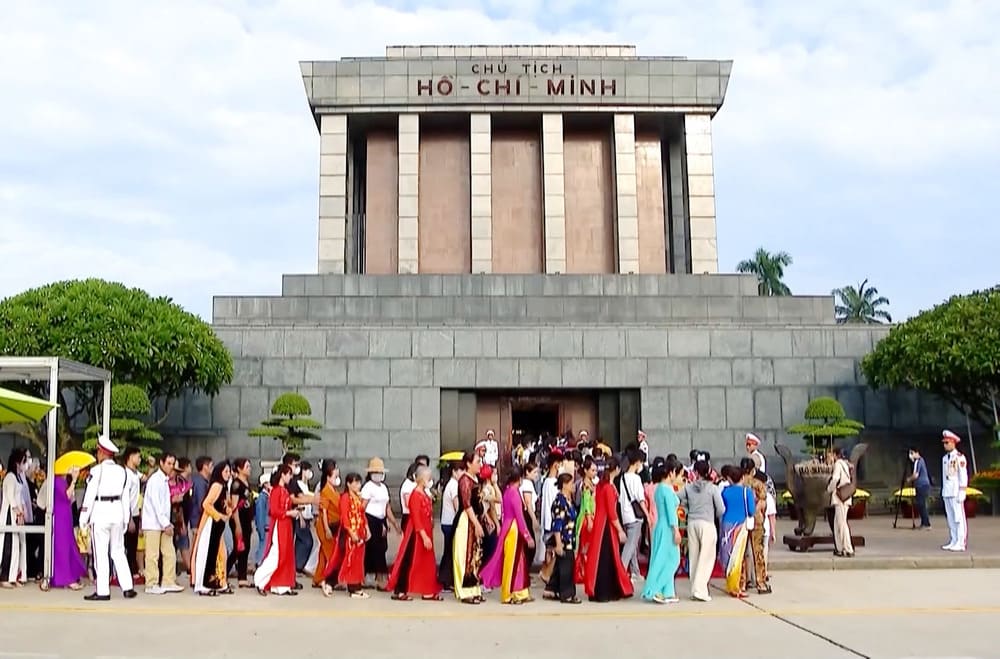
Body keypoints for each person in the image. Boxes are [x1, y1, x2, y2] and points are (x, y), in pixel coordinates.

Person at [79, 435, 137, 601]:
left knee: (101, 553)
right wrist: (126, 518)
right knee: (118, 550)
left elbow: (89, 496)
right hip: (118, 513)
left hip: (101, 513)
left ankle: (103, 590)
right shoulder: (122, 472)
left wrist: (83, 517)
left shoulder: (96, 471)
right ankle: (127, 587)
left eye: (98, 451)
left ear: (102, 453)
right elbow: (125, 497)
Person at [481, 468, 535, 605]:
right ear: (519, 479)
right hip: (513, 529)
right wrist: (527, 535)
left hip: (509, 526)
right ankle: (507, 594)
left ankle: (520, 591)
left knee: (519, 561)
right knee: (511, 563)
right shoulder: (514, 493)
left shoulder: (508, 490)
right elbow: (519, 516)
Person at [387, 466, 442, 601]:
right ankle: (400, 590)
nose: (430, 480)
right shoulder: (415, 495)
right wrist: (423, 536)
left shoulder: (425, 494)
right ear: (421, 479)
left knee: (427, 562)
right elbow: (416, 518)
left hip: (426, 531)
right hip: (416, 533)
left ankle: (427, 590)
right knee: (408, 560)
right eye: (428, 478)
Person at [583, 457, 633, 603]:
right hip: (606, 527)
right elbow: (612, 513)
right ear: (616, 469)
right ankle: (606, 591)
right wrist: (620, 530)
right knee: (607, 559)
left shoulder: (600, 486)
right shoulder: (609, 488)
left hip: (600, 524)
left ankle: (599, 590)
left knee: (601, 559)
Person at [679, 460, 724, 602]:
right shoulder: (712, 488)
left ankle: (695, 588)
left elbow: (677, 497)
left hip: (692, 523)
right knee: (706, 558)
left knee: (694, 556)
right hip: (707, 523)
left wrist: (686, 507)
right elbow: (721, 509)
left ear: (696, 472)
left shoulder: (688, 487)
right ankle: (700, 589)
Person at [141, 452, 184, 594]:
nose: (171, 466)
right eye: (169, 463)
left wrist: (167, 523)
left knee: (169, 552)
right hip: (153, 523)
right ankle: (151, 583)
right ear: (162, 463)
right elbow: (156, 505)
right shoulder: (155, 480)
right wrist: (165, 523)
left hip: (163, 523)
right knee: (152, 555)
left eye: (173, 464)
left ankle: (168, 581)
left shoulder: (164, 480)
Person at [322, 473, 369, 599]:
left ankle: (355, 586)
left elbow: (362, 515)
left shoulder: (358, 498)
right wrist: (352, 533)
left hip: (358, 532)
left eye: (359, 483)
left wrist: (366, 529)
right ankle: (330, 582)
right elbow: (345, 517)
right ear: (348, 484)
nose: (358, 485)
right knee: (343, 559)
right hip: (348, 534)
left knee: (356, 561)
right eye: (355, 482)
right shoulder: (345, 498)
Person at [642, 459, 683, 604]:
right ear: (671, 473)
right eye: (678, 474)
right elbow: (671, 512)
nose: (679, 478)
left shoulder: (659, 488)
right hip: (668, 527)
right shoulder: (667, 489)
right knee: (672, 560)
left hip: (660, 526)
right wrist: (675, 530)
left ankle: (667, 592)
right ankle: (655, 588)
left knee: (661, 559)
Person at [254, 465, 299, 596]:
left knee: (285, 555)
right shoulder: (276, 491)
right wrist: (289, 513)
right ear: (282, 475)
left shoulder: (284, 490)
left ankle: (281, 585)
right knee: (276, 554)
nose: (290, 477)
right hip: (279, 525)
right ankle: (260, 580)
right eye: (289, 474)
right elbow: (273, 511)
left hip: (286, 525)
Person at [191, 461, 233, 596]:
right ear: (220, 472)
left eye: (229, 471)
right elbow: (206, 504)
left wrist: (227, 510)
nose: (228, 474)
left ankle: (220, 582)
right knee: (208, 554)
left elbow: (223, 505)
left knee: (221, 555)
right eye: (226, 471)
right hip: (210, 524)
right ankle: (204, 585)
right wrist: (219, 516)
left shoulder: (224, 487)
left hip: (218, 525)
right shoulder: (216, 485)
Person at [361, 457, 401, 589]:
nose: (378, 475)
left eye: (380, 472)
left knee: (382, 548)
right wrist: (365, 524)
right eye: (375, 472)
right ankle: (369, 577)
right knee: (372, 549)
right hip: (370, 519)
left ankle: (379, 577)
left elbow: (387, 507)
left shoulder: (384, 487)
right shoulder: (367, 487)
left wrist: (394, 523)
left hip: (381, 520)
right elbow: (363, 507)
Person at [452, 451, 485, 604]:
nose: (480, 464)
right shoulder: (465, 480)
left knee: (475, 556)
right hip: (466, 520)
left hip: (475, 518)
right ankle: (465, 591)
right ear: (468, 464)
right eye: (477, 461)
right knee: (465, 555)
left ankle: (474, 588)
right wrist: (476, 523)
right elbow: (467, 505)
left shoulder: (475, 479)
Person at [719, 465, 755, 597]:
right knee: (738, 556)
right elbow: (751, 510)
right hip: (740, 525)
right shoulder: (747, 492)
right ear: (742, 477)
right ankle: (735, 586)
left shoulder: (725, 491)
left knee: (727, 553)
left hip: (727, 524)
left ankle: (730, 583)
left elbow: (721, 508)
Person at [50, 465, 87, 590]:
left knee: (68, 545)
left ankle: (69, 576)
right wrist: (75, 480)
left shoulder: (63, 480)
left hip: (65, 516)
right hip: (60, 517)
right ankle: (65, 578)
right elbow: (67, 495)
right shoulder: (57, 480)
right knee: (62, 547)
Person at [548, 473, 580, 604]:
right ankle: (567, 594)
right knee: (567, 566)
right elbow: (557, 524)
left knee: (561, 566)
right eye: (571, 483)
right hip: (563, 539)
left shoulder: (568, 500)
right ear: (565, 485)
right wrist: (558, 543)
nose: (573, 486)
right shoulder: (559, 502)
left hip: (570, 537)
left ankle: (552, 589)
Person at [618, 448, 649, 581]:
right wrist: (648, 515)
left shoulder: (623, 477)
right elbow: (640, 499)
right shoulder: (636, 479)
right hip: (635, 516)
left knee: (632, 545)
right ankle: (621, 572)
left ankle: (635, 572)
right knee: (630, 546)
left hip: (625, 515)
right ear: (637, 462)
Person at [0, 448, 29, 588]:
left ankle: (13, 576)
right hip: (9, 516)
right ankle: (4, 576)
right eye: (24, 461)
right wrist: (18, 512)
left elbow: (20, 497)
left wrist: (22, 512)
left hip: (17, 515)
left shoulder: (18, 478)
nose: (25, 465)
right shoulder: (10, 477)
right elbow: (11, 498)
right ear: (17, 463)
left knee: (16, 547)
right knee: (8, 546)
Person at [742, 457, 771, 592]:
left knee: (742, 553)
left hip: (742, 521)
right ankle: (761, 582)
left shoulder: (739, 483)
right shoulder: (758, 484)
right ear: (753, 470)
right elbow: (763, 502)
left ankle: (742, 582)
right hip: (756, 521)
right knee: (757, 551)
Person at [312, 460, 341, 588]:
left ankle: (318, 578)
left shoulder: (332, 490)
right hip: (326, 526)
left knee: (324, 554)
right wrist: (327, 529)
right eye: (335, 474)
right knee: (332, 554)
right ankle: (333, 580)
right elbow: (323, 511)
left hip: (332, 524)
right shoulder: (325, 491)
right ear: (328, 476)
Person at [940, 430, 969, 552]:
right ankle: (953, 539)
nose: (945, 445)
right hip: (947, 491)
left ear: (953, 443)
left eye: (947, 442)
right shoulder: (945, 458)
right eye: (944, 442)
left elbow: (963, 475)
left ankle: (961, 542)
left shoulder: (959, 457)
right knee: (951, 518)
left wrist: (962, 490)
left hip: (956, 491)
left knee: (958, 518)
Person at [437, 460, 464, 591]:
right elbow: (457, 505)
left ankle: (445, 579)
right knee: (450, 552)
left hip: (447, 522)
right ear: (454, 472)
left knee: (448, 551)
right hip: (450, 523)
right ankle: (446, 580)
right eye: (460, 470)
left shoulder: (452, 484)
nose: (462, 473)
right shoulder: (454, 485)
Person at [825, 449, 854, 558]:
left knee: (841, 524)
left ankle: (848, 548)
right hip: (845, 497)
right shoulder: (845, 464)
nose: (830, 458)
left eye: (831, 455)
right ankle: (839, 548)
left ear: (835, 455)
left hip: (840, 497)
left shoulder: (838, 464)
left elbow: (835, 478)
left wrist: (829, 488)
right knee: (837, 524)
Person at [120, 446, 143, 585]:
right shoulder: (126, 474)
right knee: (126, 545)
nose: (139, 459)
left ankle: (132, 569)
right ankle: (126, 572)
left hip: (135, 513)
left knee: (133, 545)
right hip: (127, 515)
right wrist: (128, 519)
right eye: (138, 456)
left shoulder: (135, 473)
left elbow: (147, 477)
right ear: (130, 457)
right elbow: (125, 497)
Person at [574, 457, 598, 584]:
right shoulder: (586, 486)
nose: (595, 473)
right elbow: (587, 503)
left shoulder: (588, 484)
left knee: (585, 548)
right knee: (586, 547)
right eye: (592, 470)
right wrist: (589, 519)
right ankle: (582, 572)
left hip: (588, 516)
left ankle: (583, 572)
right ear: (586, 470)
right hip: (586, 517)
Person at [906, 447, 932, 530]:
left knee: (921, 504)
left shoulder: (918, 461)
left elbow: (915, 475)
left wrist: (909, 479)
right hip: (922, 485)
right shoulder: (921, 460)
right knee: (921, 505)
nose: (911, 455)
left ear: (916, 453)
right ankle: (924, 523)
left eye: (911, 453)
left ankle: (926, 524)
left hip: (922, 485)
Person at [479, 465, 500, 566]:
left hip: (489, 520)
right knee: (490, 549)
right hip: (489, 521)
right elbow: (498, 500)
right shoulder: (487, 489)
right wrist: (495, 484)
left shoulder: (486, 488)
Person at [254, 473, 271, 567]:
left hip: (267, 526)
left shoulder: (267, 496)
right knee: (263, 545)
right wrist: (261, 528)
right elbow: (260, 514)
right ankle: (259, 562)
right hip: (265, 526)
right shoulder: (262, 498)